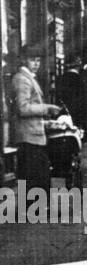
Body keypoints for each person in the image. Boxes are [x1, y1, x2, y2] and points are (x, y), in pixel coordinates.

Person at [10, 46, 61, 193]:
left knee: (37, 180)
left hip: (32, 136)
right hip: (29, 138)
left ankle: (35, 206)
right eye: (32, 60)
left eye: (38, 60)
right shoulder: (22, 79)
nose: (36, 63)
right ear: (24, 60)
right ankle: (34, 207)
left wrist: (46, 122)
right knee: (36, 180)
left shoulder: (27, 78)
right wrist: (47, 108)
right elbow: (23, 108)